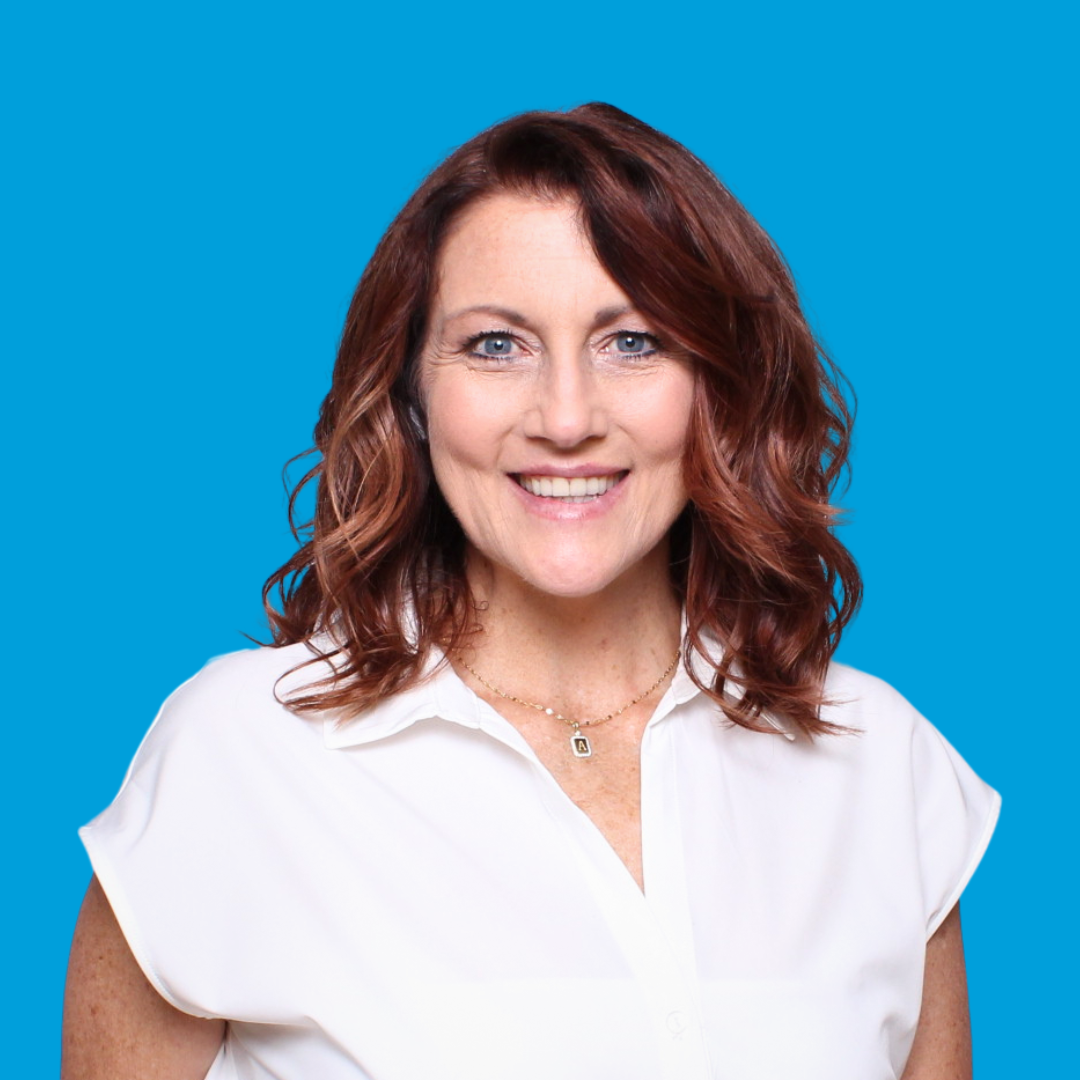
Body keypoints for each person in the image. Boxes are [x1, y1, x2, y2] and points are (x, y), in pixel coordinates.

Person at [62, 104, 999, 1080]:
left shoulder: (880, 768)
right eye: (496, 345)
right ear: (412, 394)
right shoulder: (240, 759)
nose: (565, 418)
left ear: (719, 385)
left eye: (632, 341)